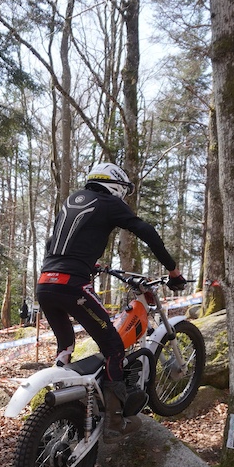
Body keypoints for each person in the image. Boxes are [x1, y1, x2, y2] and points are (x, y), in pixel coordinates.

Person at [37, 162, 186, 436]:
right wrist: (173, 270)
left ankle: (61, 404)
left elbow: (54, 243)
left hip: (45, 284)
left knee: (66, 343)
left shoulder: (72, 201)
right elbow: (146, 231)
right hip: (73, 286)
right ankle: (115, 422)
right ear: (116, 185)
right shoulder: (108, 202)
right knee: (114, 348)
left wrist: (86, 262)